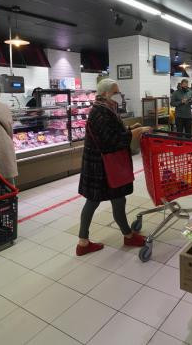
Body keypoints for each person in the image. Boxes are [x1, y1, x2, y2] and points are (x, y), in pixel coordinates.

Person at [76, 79, 150, 256]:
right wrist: (134, 133)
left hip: (100, 165)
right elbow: (110, 142)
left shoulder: (104, 109)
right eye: (116, 93)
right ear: (105, 93)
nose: (119, 96)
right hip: (103, 166)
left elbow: (111, 131)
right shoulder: (100, 112)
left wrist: (130, 128)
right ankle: (126, 235)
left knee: (102, 200)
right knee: (110, 200)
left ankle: (84, 242)